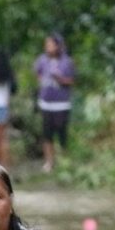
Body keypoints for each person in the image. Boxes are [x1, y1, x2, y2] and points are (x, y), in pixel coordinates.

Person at [33, 33, 75, 173]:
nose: (47, 47)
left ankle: (64, 161)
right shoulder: (42, 60)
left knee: (62, 134)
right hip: (46, 103)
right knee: (47, 134)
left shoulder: (67, 62)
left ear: (58, 46)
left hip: (61, 104)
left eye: (50, 44)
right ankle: (49, 162)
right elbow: (37, 73)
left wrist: (60, 79)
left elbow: (72, 81)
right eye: (46, 44)